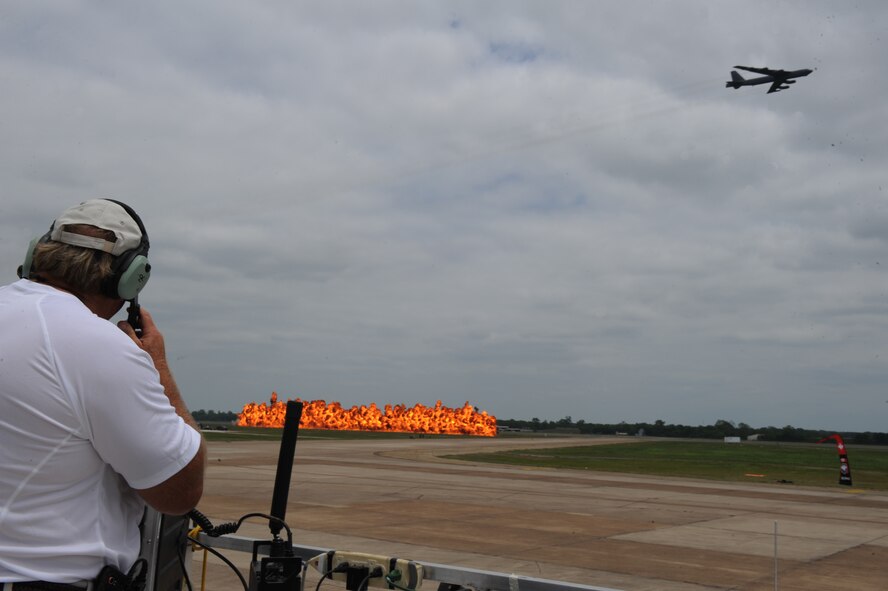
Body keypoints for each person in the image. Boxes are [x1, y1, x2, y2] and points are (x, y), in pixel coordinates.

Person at [0, 199, 206, 589]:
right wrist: (157, 367)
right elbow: (180, 491)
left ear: (36, 253)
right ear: (131, 277)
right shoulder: (100, 346)